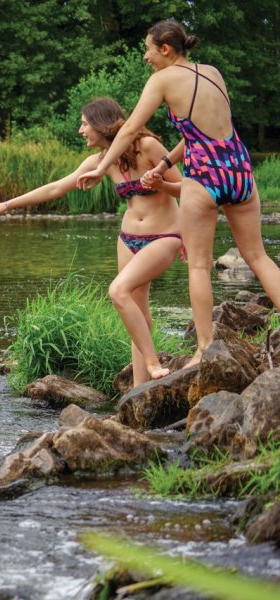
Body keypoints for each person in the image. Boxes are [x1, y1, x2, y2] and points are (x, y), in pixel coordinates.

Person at [77, 19, 280, 367]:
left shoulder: (162, 80)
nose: (145, 57)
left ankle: (204, 349)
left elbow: (128, 131)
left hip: (204, 176)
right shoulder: (213, 73)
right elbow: (200, 132)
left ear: (165, 49)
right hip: (240, 169)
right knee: (258, 257)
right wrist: (165, 162)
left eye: (148, 49)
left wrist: (100, 166)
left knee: (199, 265)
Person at [0, 98, 183, 386]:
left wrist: (162, 184)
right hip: (128, 239)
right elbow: (55, 187)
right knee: (138, 312)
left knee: (118, 291)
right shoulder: (101, 161)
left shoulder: (147, 146)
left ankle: (152, 362)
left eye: (85, 123)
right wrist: (7, 204)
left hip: (165, 235)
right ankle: (139, 390)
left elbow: (186, 187)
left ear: (102, 124)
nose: (80, 130)